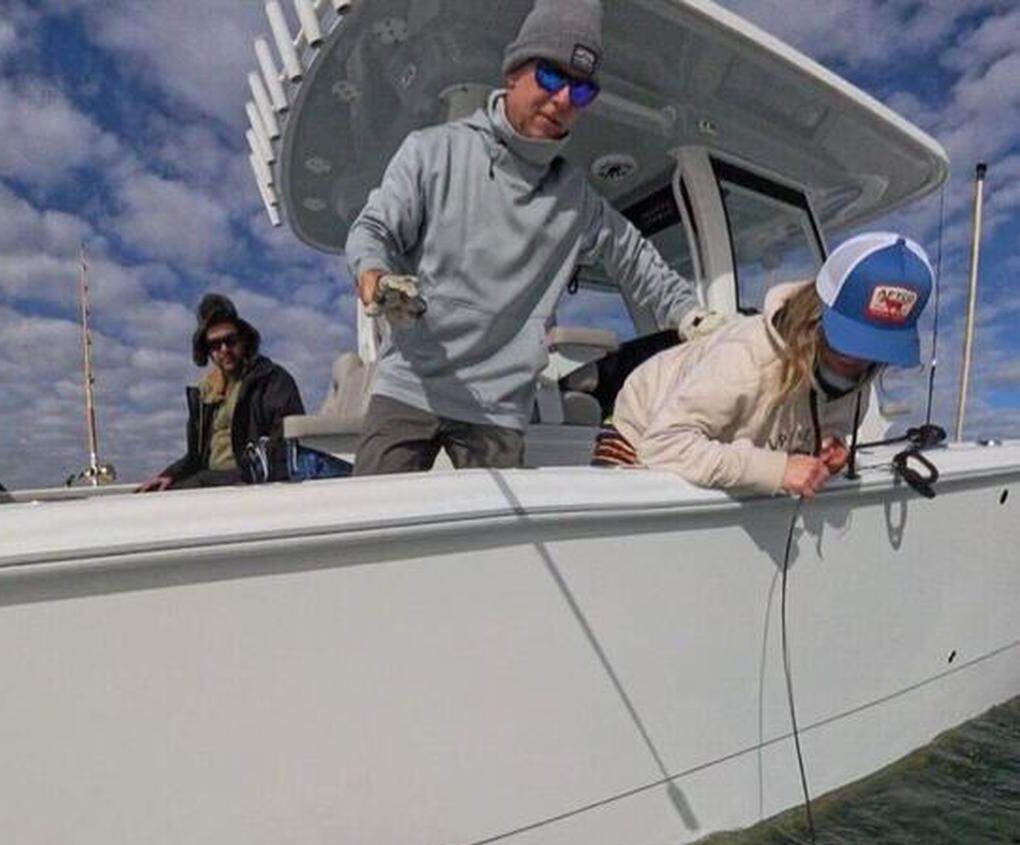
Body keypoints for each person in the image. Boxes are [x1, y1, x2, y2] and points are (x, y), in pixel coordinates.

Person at [345, 0, 722, 476]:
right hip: (409, 383)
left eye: (581, 91)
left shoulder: (576, 198)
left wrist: (693, 316)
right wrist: (375, 276)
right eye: (550, 76)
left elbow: (636, 260)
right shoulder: (432, 151)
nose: (563, 97)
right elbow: (373, 230)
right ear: (512, 74)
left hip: (498, 408)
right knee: (378, 532)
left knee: (496, 548)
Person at [592, 233, 935, 498]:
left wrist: (829, 449)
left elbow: (814, 430)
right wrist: (779, 470)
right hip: (641, 433)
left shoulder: (859, 386)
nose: (858, 360)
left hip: (724, 445)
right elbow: (663, 445)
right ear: (815, 312)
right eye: (849, 340)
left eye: (875, 347)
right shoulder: (745, 356)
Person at [138, 293, 312, 491]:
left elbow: (285, 442)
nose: (224, 349)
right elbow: (195, 456)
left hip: (252, 483)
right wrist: (169, 475)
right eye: (214, 344)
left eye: (230, 340)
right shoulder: (205, 392)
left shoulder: (272, 380)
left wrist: (252, 470)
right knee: (152, 494)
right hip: (211, 481)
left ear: (244, 340)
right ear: (206, 350)